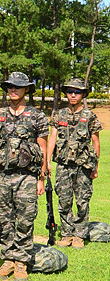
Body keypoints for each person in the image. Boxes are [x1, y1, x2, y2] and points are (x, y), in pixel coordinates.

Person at [0, 72, 49, 281]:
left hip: (27, 177)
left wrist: (42, 178)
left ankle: (21, 262)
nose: (13, 90)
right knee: (3, 220)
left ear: (26, 90)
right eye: (10, 87)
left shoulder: (37, 116)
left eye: (18, 87)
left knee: (25, 218)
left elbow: (43, 148)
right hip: (2, 176)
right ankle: (7, 260)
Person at [47, 77, 101, 248]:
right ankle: (66, 233)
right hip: (63, 164)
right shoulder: (59, 114)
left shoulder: (89, 116)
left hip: (83, 165)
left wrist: (95, 166)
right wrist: (47, 161)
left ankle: (79, 234)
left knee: (82, 200)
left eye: (77, 92)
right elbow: (53, 137)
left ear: (83, 95)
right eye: (70, 92)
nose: (73, 95)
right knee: (63, 200)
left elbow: (96, 142)